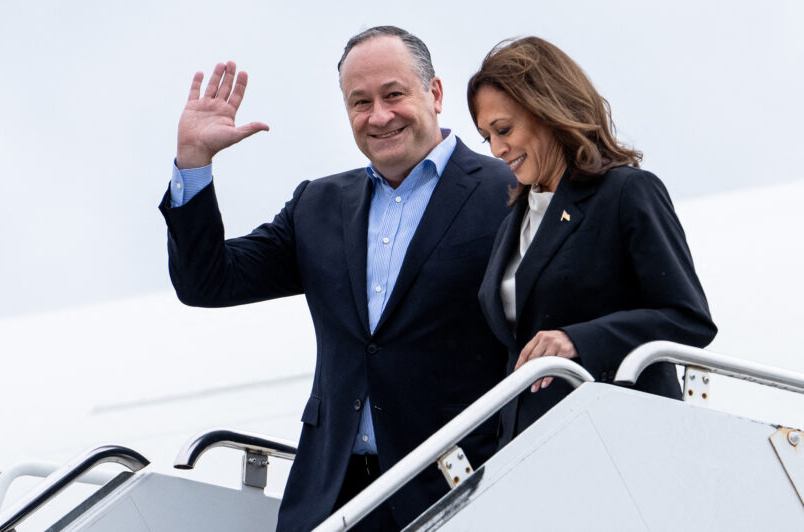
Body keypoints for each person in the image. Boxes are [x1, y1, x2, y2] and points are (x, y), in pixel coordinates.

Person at [159, 26, 514, 531]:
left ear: (434, 94)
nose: (379, 116)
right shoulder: (318, 205)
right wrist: (194, 162)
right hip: (330, 501)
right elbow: (207, 282)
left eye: (394, 95)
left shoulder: (507, 191)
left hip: (457, 495)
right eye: (360, 102)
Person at [467, 37, 718, 447]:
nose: (497, 149)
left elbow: (688, 320)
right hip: (529, 448)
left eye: (504, 130)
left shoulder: (627, 192)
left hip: (619, 441)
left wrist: (577, 340)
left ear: (548, 110)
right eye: (486, 137)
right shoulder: (514, 222)